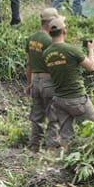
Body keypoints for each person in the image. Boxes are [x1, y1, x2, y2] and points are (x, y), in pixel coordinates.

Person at [45, 16, 94, 148]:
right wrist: (91, 49)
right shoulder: (72, 50)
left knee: (66, 136)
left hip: (59, 100)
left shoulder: (46, 53)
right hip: (77, 98)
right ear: (64, 31)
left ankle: (68, 161)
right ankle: (90, 156)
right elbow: (91, 66)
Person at [26, 9, 58, 149]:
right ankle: (52, 146)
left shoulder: (32, 38)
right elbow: (57, 65)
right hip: (49, 81)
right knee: (54, 115)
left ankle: (34, 145)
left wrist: (29, 83)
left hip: (36, 81)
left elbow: (29, 64)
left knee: (37, 116)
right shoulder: (50, 41)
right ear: (50, 22)